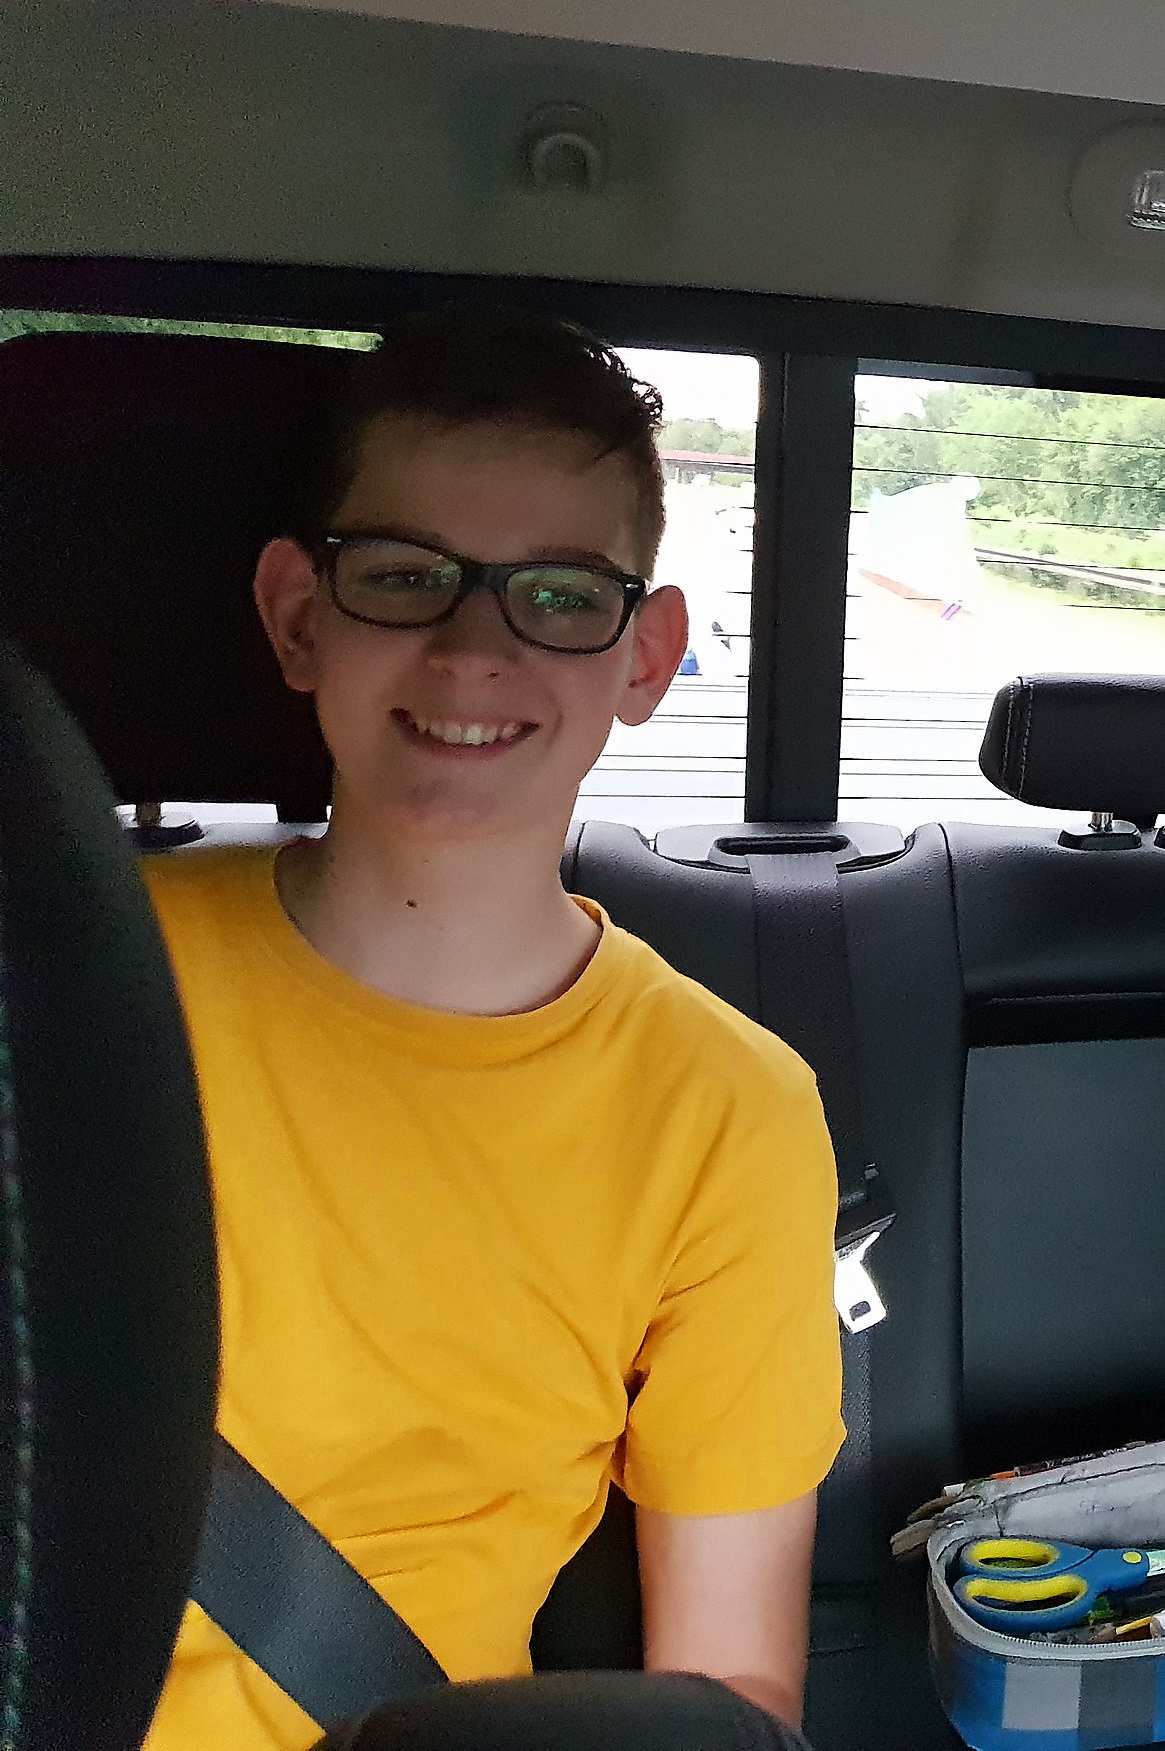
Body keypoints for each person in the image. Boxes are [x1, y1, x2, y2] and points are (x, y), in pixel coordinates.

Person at [141, 309, 842, 1749]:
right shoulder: (61, 974)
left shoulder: (726, 1111)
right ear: (299, 616)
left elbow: (730, 1698)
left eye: (561, 595)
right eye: (405, 576)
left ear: (646, 656)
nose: (473, 650)